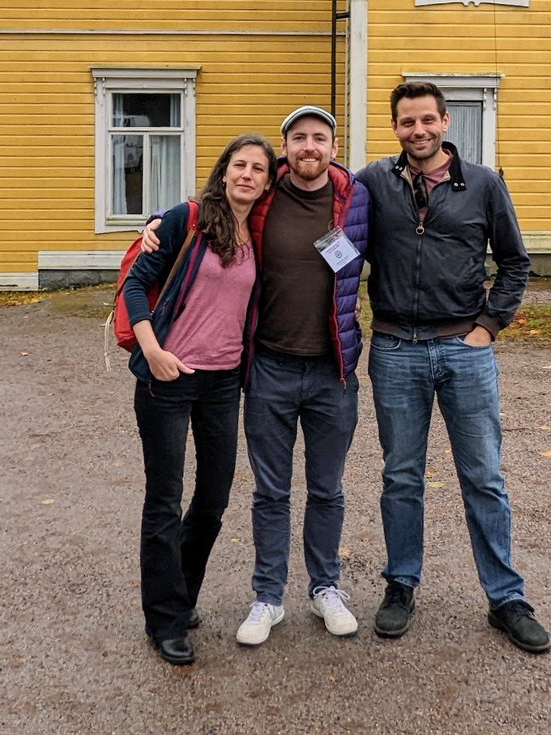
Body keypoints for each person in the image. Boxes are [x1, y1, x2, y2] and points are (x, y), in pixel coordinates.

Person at [142, 104, 370, 646]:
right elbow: (217, 199)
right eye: (298, 138)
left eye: (320, 137)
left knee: (327, 488)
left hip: (332, 371)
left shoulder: (359, 198)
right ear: (284, 150)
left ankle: (325, 588)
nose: (309, 146)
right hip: (268, 367)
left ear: (334, 148)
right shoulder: (266, 195)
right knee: (269, 492)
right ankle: (268, 596)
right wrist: (157, 217)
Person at [356, 80, 551, 654]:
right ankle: (400, 585)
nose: (417, 131)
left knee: (484, 476)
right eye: (406, 122)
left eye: (427, 121)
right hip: (394, 348)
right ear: (395, 128)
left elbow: (516, 262)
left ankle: (506, 597)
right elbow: (308, 192)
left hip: (462, 350)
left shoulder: (484, 185)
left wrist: (488, 327)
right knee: (401, 475)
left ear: (445, 122)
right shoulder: (373, 182)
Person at [124, 133, 277, 666]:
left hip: (222, 383)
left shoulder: (259, 229)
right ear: (224, 170)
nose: (247, 175)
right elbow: (135, 286)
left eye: (259, 168)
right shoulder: (185, 219)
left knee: (212, 499)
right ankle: (164, 619)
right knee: (164, 499)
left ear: (267, 180)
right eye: (240, 164)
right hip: (168, 378)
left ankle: (182, 596)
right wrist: (153, 349)